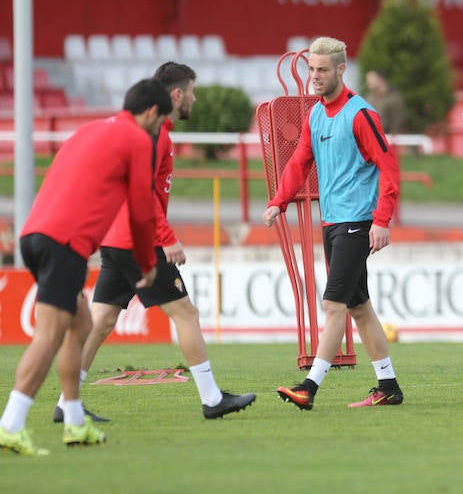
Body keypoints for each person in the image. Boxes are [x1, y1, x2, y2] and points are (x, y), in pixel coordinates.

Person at [52, 62, 256, 422]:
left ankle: (66, 403)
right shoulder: (155, 133)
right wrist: (166, 238)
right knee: (186, 313)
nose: (195, 97)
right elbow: (142, 192)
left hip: (115, 238)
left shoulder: (152, 131)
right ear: (176, 95)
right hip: (136, 238)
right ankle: (211, 399)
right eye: (192, 91)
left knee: (100, 321)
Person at [0, 79, 171, 456]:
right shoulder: (139, 139)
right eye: (160, 124)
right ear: (151, 113)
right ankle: (10, 425)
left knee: (81, 324)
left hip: (35, 235)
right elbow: (142, 211)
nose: (158, 133)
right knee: (48, 337)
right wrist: (147, 263)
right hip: (65, 245)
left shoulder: (90, 130)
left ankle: (75, 422)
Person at [263, 36, 403, 410]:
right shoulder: (314, 114)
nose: (314, 76)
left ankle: (309, 387)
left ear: (341, 69)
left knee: (333, 305)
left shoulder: (361, 114)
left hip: (357, 222)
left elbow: (389, 169)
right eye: (311, 68)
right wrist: (280, 201)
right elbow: (298, 164)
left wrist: (382, 220)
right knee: (359, 307)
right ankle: (388, 386)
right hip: (333, 223)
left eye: (322, 69)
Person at [365, 69, 406, 134]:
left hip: (390, 137)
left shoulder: (394, 97)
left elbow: (398, 121)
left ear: (380, 79)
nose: (368, 82)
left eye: (371, 78)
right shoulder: (369, 98)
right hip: (372, 135)